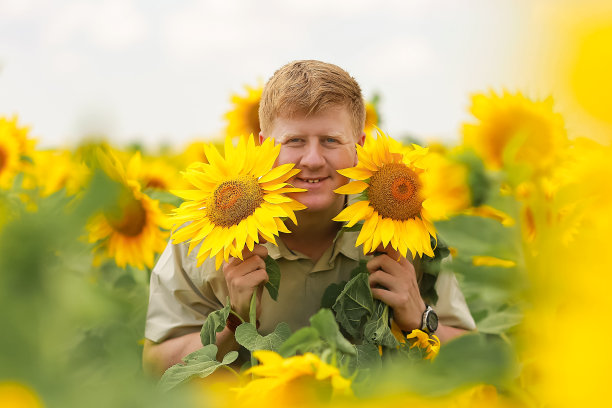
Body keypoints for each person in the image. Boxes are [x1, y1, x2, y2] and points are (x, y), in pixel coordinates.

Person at [142, 60, 475, 376]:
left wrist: (420, 319)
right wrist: (233, 323)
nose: (313, 160)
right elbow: (156, 366)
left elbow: (475, 357)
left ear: (358, 147)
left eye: (330, 140)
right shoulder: (206, 237)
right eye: (295, 141)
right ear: (264, 146)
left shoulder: (407, 231)